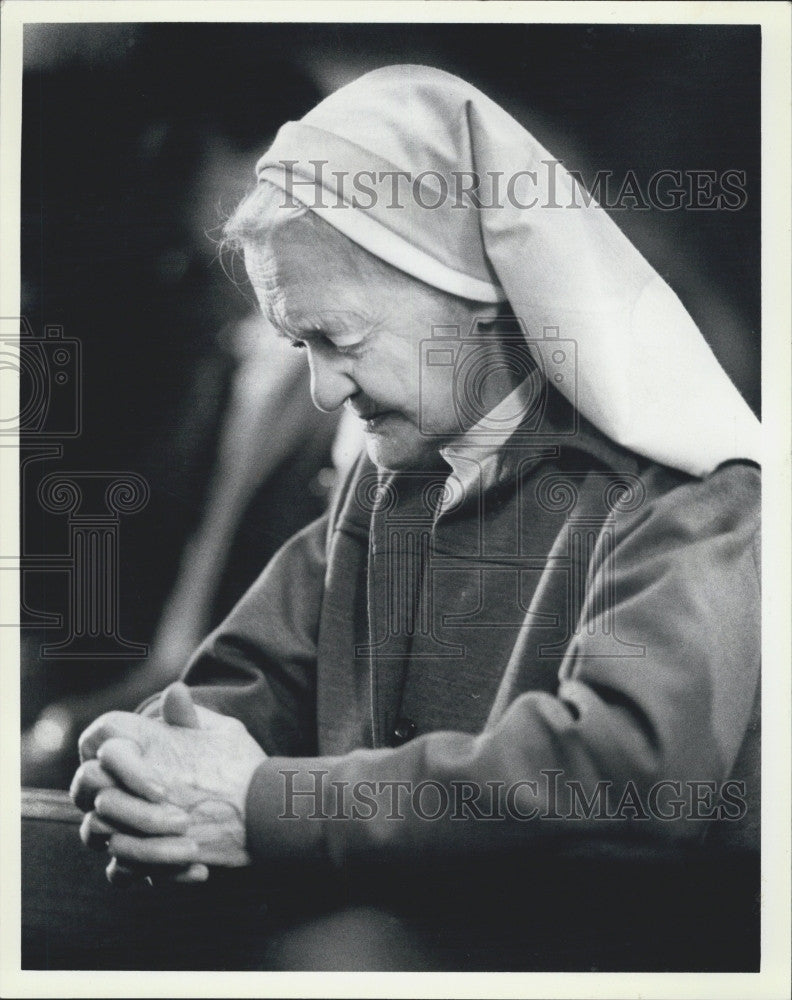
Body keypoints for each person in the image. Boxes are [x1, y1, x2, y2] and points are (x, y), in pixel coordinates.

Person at [70, 66, 761, 950]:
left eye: (339, 339)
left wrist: (269, 804)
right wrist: (150, 764)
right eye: (297, 343)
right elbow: (250, 678)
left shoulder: (691, 494)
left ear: (475, 295)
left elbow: (631, 772)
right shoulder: (388, 480)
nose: (320, 390)